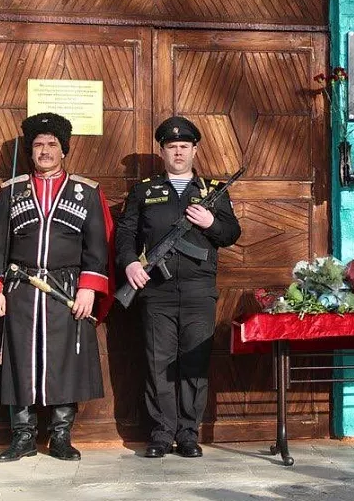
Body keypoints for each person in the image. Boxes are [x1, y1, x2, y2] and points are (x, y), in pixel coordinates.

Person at [0, 112, 114, 463]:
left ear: (63, 150)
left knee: (64, 361)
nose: (45, 151)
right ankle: (22, 437)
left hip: (66, 291)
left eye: (52, 144)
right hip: (19, 290)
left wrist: (89, 288)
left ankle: (60, 436)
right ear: (31, 151)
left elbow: (98, 246)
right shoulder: (12, 191)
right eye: (38, 145)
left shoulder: (86, 192)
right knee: (18, 360)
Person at [116, 116, 241, 458]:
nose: (178, 153)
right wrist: (129, 263)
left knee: (194, 361)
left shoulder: (212, 191)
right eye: (172, 147)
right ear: (163, 151)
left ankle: (188, 433)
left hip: (199, 290)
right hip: (157, 291)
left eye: (184, 147)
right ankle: (160, 432)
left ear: (195, 150)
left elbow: (232, 234)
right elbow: (125, 234)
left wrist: (212, 222)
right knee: (159, 363)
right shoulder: (144, 190)